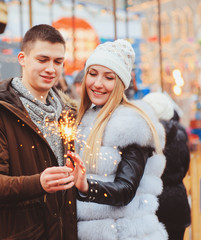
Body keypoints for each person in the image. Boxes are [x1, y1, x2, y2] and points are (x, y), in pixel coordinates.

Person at [0, 24, 78, 240]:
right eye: (42, 59)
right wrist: (38, 183)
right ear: (22, 59)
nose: (51, 69)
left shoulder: (67, 114)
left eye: (58, 62)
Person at [66, 39, 168, 240]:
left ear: (120, 82)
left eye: (109, 77)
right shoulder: (82, 119)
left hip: (124, 234)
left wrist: (87, 186)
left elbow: (126, 190)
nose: (97, 84)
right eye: (92, 74)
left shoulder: (131, 123)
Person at [143, 92, 191, 240]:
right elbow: (185, 165)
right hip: (177, 202)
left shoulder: (144, 136)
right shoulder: (181, 135)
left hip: (151, 203)